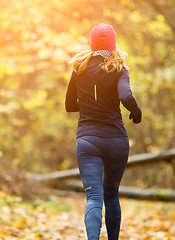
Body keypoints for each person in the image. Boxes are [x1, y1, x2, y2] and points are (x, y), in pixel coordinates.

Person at [65, 23, 142, 240]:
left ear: (92, 44)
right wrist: (136, 113)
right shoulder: (119, 69)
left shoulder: (78, 69)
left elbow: (70, 105)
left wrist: (90, 104)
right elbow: (126, 96)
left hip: (88, 140)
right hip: (116, 140)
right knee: (111, 195)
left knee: (93, 197)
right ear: (113, 45)